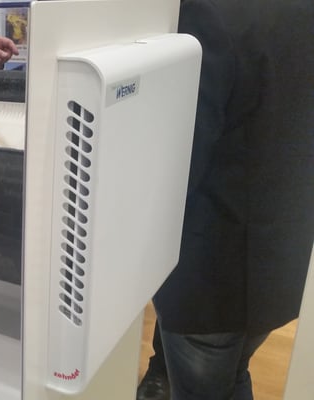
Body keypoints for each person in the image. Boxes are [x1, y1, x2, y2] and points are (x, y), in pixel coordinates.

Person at [144, 0, 314, 399]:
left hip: (211, 277)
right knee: (234, 374)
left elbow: (181, 159)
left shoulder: (205, 13)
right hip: (281, 261)